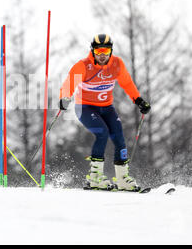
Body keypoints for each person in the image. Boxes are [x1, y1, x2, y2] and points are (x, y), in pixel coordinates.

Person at [59, 34, 151, 191]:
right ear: (93, 51)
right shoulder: (83, 65)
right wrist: (64, 98)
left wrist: (138, 100)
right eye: (99, 51)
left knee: (118, 136)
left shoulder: (116, 64)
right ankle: (95, 178)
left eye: (106, 51)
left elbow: (127, 83)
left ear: (111, 51)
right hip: (85, 108)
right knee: (102, 132)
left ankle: (122, 179)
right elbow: (70, 82)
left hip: (106, 107)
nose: (102, 55)